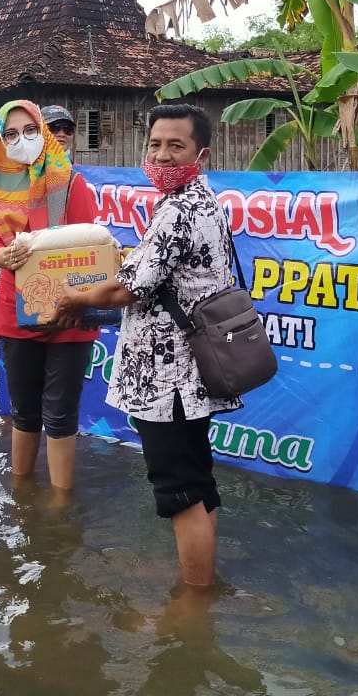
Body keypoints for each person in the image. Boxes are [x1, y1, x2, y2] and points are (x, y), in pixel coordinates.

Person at [54, 103, 238, 588]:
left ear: (202, 153)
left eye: (175, 145)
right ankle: (200, 580)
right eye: (155, 144)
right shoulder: (201, 201)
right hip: (191, 372)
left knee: (180, 492)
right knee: (197, 484)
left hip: (170, 378)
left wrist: (72, 297)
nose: (161, 154)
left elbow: (124, 290)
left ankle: (193, 604)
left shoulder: (180, 210)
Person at [0, 100, 99, 492]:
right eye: (10, 134)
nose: (21, 140)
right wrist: (3, 255)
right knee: (23, 413)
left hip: (69, 311)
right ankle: (22, 497)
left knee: (61, 415)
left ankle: (59, 508)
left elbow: (88, 242)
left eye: (29, 131)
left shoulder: (72, 182)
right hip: (15, 313)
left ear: (42, 133)